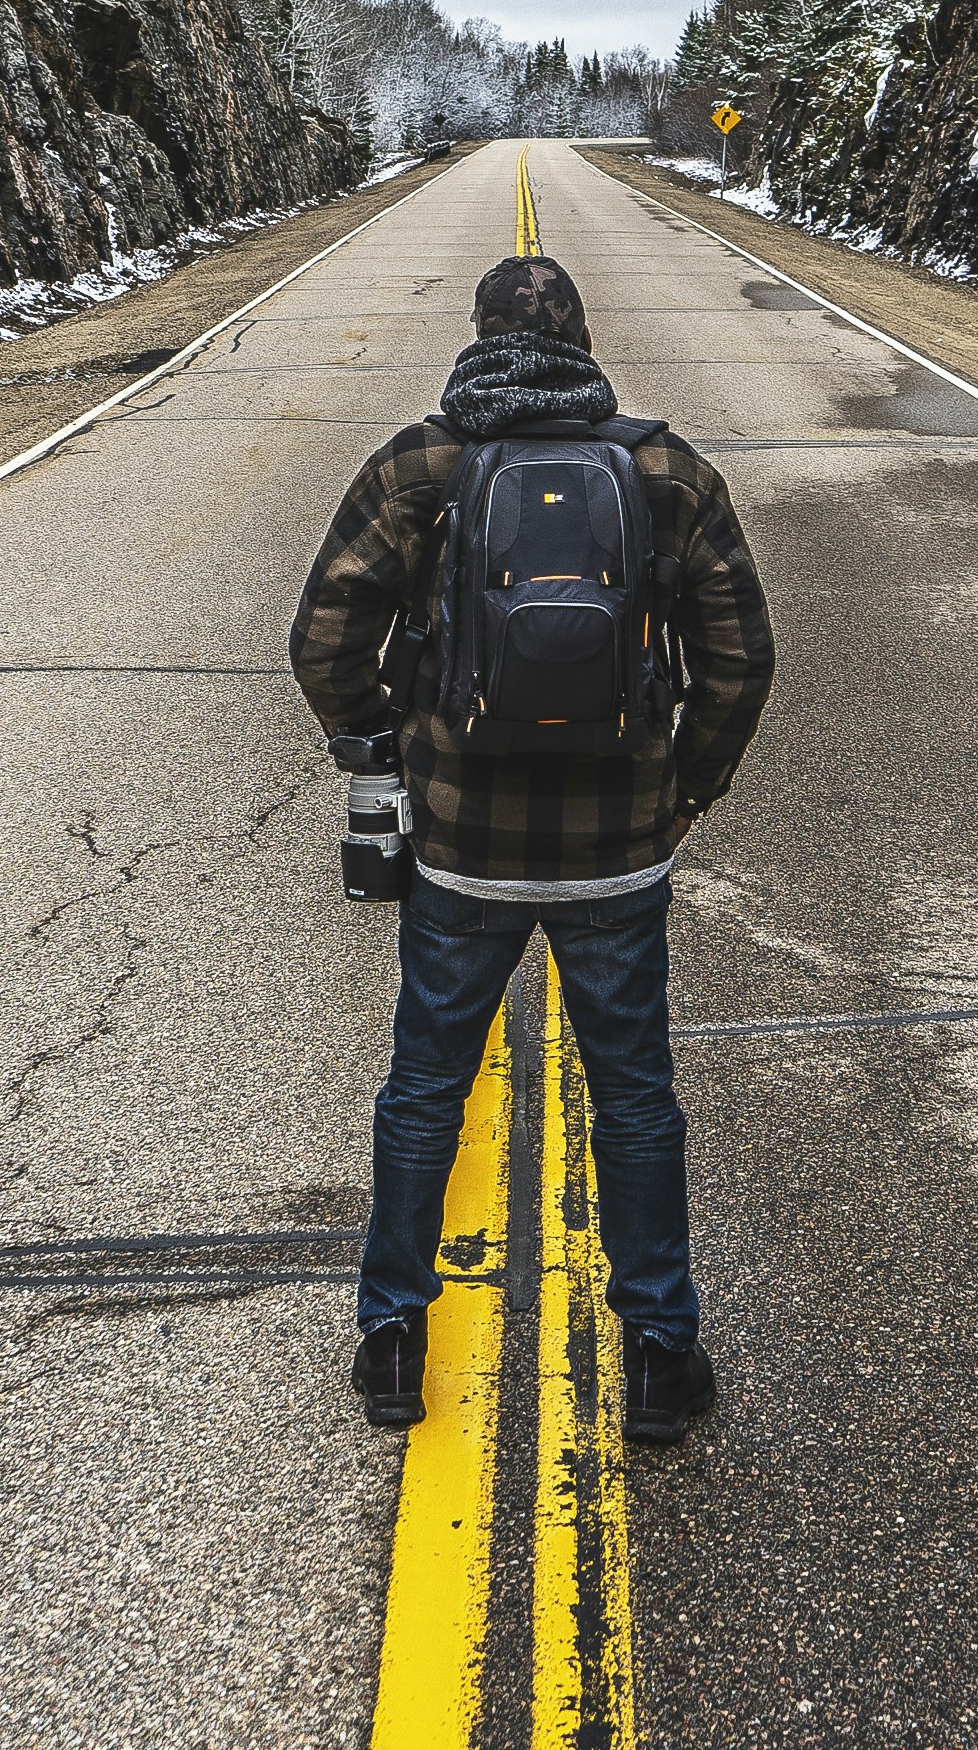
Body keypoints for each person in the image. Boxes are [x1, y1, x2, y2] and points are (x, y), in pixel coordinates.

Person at [289, 251, 775, 1445]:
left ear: (478, 336)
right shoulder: (665, 469)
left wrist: (382, 756)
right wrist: (685, 794)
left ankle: (393, 1340)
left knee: (424, 1095)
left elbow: (323, 637)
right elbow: (741, 661)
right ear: (583, 341)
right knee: (636, 1101)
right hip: (619, 850)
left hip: (461, 849)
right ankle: (662, 1353)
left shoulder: (422, 465)